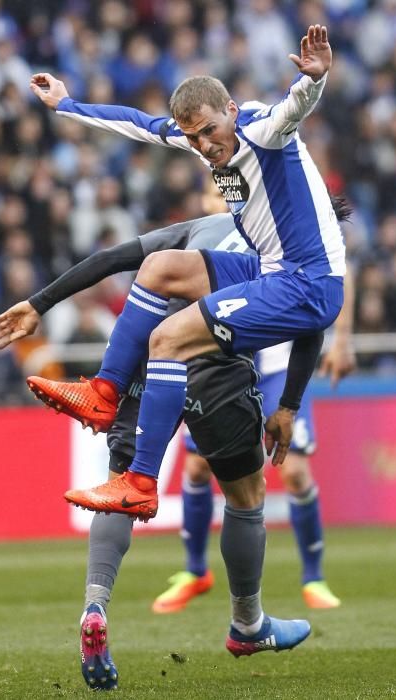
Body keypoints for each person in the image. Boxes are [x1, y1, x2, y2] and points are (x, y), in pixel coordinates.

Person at [22, 24, 345, 520]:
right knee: (161, 268)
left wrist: (316, 79)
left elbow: (294, 106)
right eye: (192, 137)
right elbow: (137, 123)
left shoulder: (263, 130)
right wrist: (67, 105)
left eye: (210, 131)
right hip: (271, 269)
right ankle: (105, 394)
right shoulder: (199, 136)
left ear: (230, 112)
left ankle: (141, 482)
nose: (204, 146)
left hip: (304, 282)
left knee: (169, 338)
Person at [0, 215, 321, 690]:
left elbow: (113, 258)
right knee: (246, 496)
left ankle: (95, 604)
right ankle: (247, 624)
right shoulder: (297, 243)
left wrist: (40, 302)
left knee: (121, 481)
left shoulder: (206, 226)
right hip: (217, 361)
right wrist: (287, 404)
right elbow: (312, 318)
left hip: (145, 347)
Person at [152, 184, 355, 613]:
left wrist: (343, 339)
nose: (216, 202)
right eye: (208, 196)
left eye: (219, 195)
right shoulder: (207, 235)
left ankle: (314, 577)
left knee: (295, 471)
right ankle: (194, 570)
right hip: (223, 362)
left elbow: (335, 270)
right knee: (196, 463)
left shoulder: (272, 220)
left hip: (278, 363)